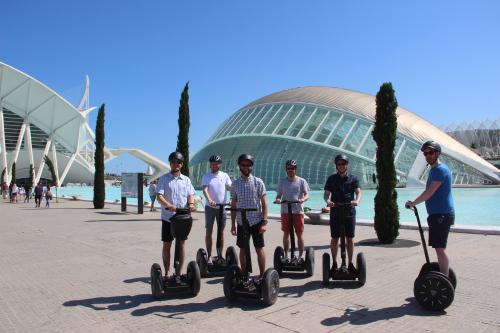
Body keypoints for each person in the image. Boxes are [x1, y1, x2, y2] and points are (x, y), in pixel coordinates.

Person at [405, 140, 455, 277]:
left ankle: (444, 278)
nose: (428, 156)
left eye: (431, 153)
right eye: (425, 153)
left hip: (442, 215)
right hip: (438, 214)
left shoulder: (440, 170)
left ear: (437, 153)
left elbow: (429, 192)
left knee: (440, 249)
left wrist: (413, 202)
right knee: (439, 248)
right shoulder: (434, 170)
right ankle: (444, 276)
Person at [156, 152, 196, 283]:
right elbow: (159, 196)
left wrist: (191, 204)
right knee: (167, 244)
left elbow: (190, 194)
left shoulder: (186, 180)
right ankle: (167, 272)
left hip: (182, 217)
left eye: (178, 162)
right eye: (173, 162)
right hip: (168, 217)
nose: (176, 164)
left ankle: (178, 272)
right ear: (170, 164)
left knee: (181, 244)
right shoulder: (164, 179)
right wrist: (168, 205)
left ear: (182, 164)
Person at [230, 154, 268, 277]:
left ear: (252, 166)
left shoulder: (258, 182)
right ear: (239, 166)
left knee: (259, 248)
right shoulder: (235, 184)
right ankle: (244, 274)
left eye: (249, 165)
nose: (246, 167)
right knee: (242, 248)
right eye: (243, 165)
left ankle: (262, 276)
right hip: (242, 222)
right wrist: (233, 225)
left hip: (256, 221)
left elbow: (264, 204)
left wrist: (264, 222)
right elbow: (234, 205)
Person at [323, 154, 362, 272]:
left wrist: (357, 201)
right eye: (339, 164)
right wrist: (328, 201)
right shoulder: (331, 179)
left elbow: (359, 193)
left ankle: (350, 263)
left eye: (343, 163)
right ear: (336, 166)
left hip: (349, 211)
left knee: (350, 238)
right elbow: (326, 194)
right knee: (335, 238)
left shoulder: (353, 179)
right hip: (335, 211)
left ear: (347, 165)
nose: (341, 166)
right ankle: (334, 263)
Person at [274, 160, 310, 262]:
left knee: (299, 233)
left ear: (296, 169)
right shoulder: (282, 182)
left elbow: (307, 194)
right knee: (286, 233)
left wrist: (303, 199)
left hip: (298, 211)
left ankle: (300, 256)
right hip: (285, 211)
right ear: (286, 169)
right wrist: (278, 199)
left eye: (293, 168)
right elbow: (279, 195)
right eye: (289, 168)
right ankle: (285, 255)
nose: (291, 170)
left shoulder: (302, 181)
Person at [201, 155, 232, 264]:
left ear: (220, 164)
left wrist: (233, 198)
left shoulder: (225, 175)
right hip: (210, 208)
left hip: (222, 208)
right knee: (209, 231)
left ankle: (220, 255)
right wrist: (209, 199)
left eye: (217, 163)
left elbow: (230, 187)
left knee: (221, 232)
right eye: (213, 163)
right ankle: (209, 256)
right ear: (210, 164)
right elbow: (205, 189)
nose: (215, 165)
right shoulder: (206, 176)